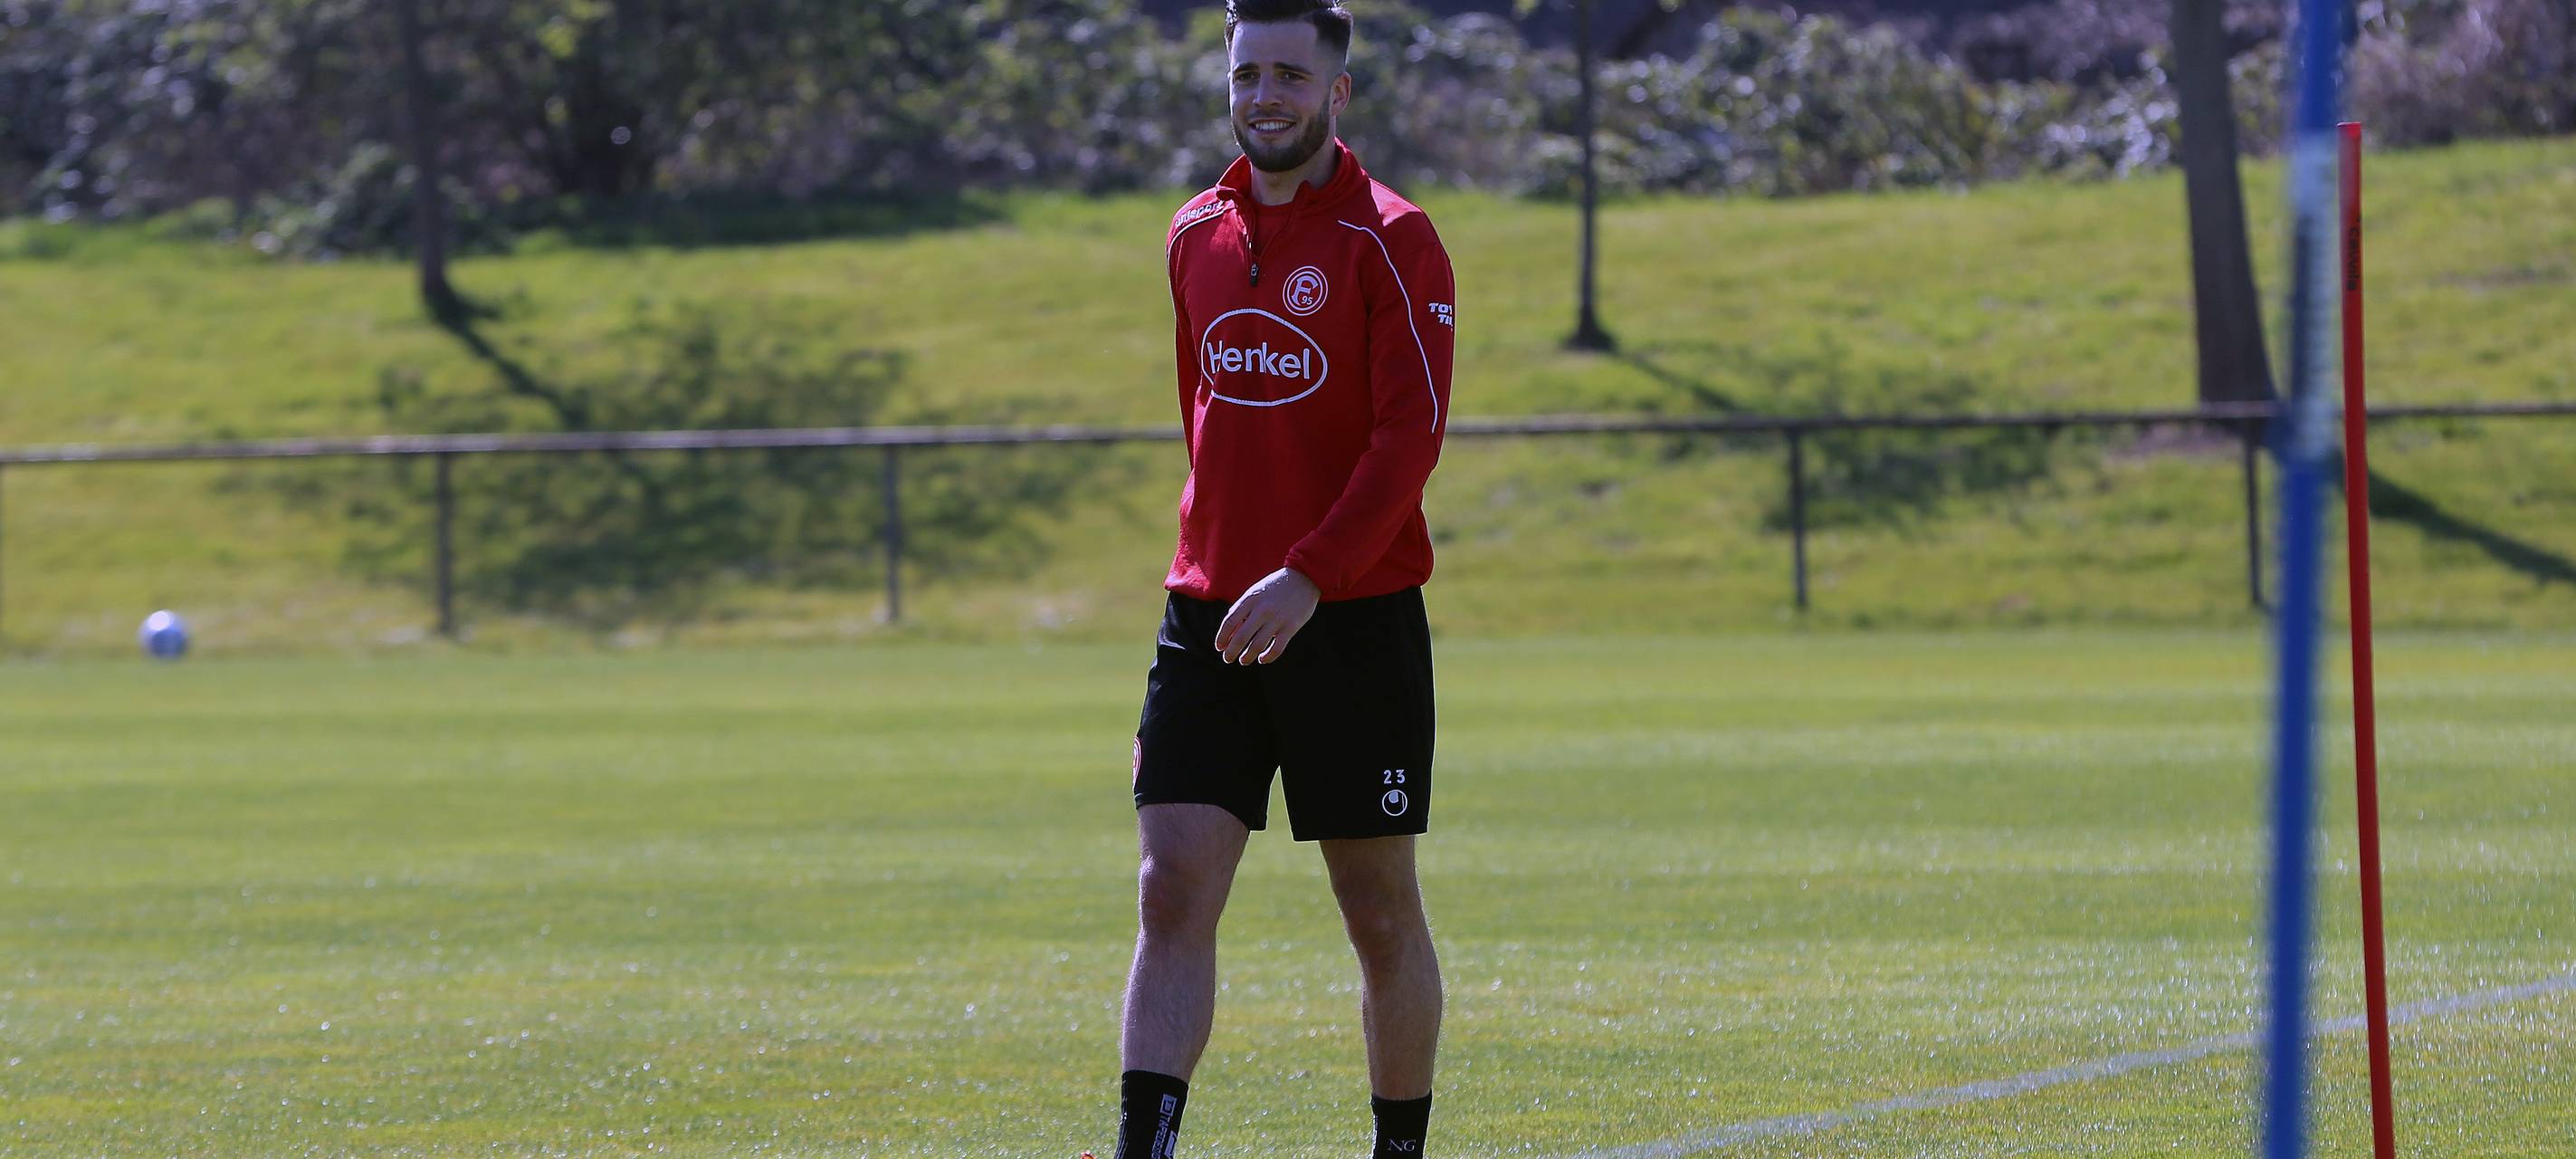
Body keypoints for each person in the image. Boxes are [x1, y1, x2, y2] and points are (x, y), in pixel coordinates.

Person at [1100, 3, 1457, 1156]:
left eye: (1291, 75)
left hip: (1348, 622)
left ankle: (1397, 1147)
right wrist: (1223, 561)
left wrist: (1308, 574)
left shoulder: (1392, 240)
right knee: (1170, 886)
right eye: (1249, 71)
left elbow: (1408, 440)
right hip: (1206, 616)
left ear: (1337, 93)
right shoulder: (1190, 231)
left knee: (1376, 910)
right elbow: (1200, 420)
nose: (1267, 94)